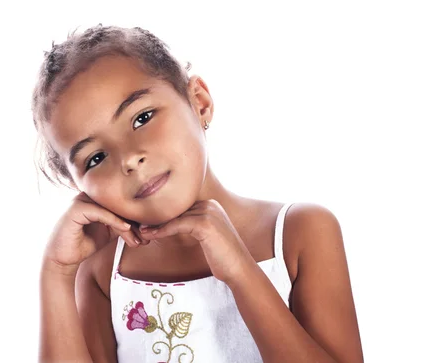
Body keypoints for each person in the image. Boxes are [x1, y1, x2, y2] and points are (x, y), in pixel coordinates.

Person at [33, 24, 363, 363]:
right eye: (96, 158)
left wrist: (240, 270)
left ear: (199, 102)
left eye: (142, 117)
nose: (130, 159)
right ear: (80, 187)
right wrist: (56, 274)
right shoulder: (103, 272)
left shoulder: (300, 233)